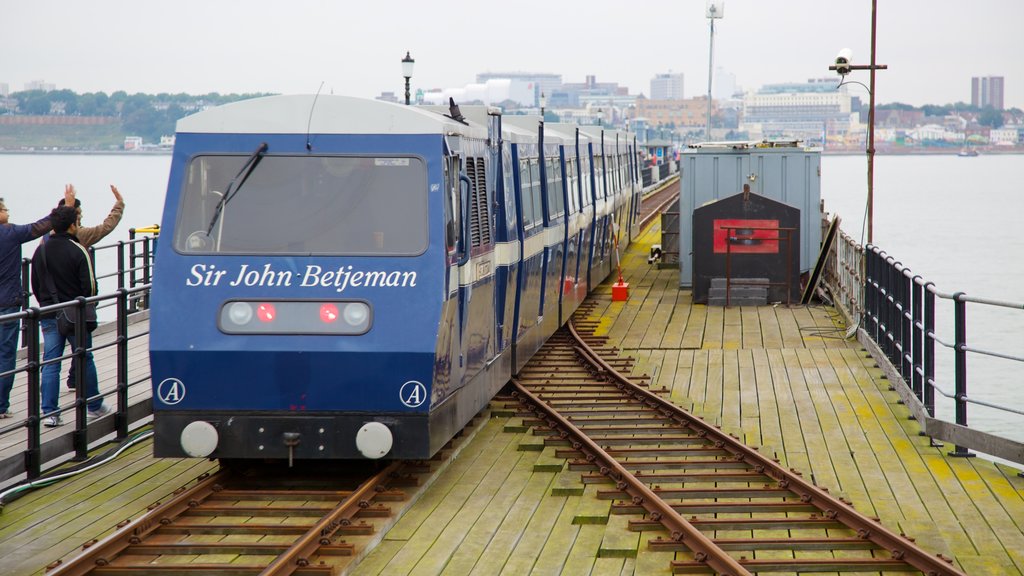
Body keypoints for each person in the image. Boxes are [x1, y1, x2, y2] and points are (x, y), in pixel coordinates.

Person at [31, 205, 111, 427]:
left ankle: (50, 412)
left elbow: (35, 283)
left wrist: (46, 302)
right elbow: (90, 288)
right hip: (74, 314)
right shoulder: (78, 250)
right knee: (84, 358)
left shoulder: (41, 250)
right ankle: (94, 406)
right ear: (72, 225)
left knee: (51, 362)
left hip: (48, 312)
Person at [0, 186, 75, 419]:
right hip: (7, 303)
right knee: (5, 353)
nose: (8, 211)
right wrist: (66, 208)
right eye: (3, 208)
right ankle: (1, 405)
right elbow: (42, 226)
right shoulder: (10, 233)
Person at [57, 185, 125, 392]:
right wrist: (119, 205)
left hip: (52, 300)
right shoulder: (81, 236)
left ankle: (67, 383)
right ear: (73, 218)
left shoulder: (47, 239)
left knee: (53, 354)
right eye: (79, 215)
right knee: (83, 346)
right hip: (76, 299)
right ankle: (84, 390)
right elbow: (106, 227)